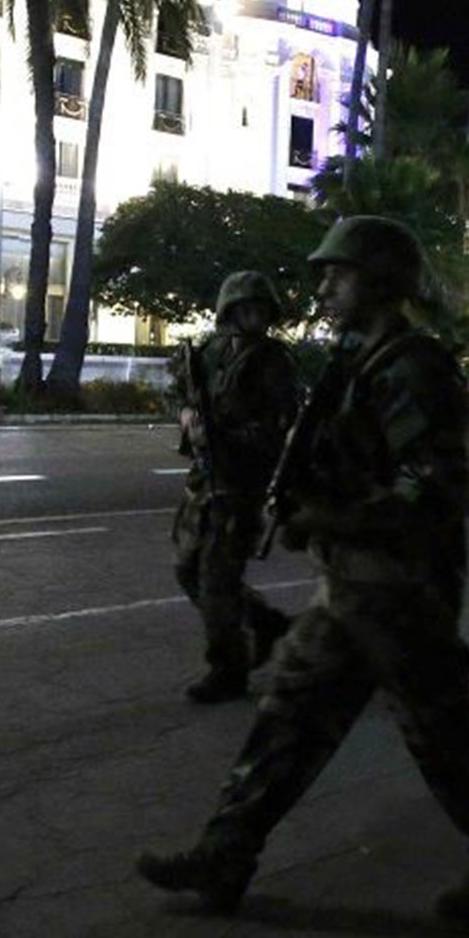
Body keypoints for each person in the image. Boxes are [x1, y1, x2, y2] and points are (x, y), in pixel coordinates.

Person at [138, 216, 469, 921]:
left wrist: (333, 517)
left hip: (404, 595)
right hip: (351, 588)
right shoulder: (356, 363)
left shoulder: (413, 366)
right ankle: (225, 854)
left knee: (445, 741)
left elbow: (440, 489)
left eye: (338, 273)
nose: (322, 285)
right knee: (287, 718)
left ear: (380, 281)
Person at [170, 270, 301, 703]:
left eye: (261, 309)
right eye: (246, 308)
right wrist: (188, 416)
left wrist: (225, 435)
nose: (255, 317)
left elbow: (279, 427)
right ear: (229, 311)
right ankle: (262, 620)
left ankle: (228, 668)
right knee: (187, 568)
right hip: (203, 480)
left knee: (216, 579)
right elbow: (180, 392)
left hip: (241, 483)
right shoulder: (209, 353)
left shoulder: (273, 362)